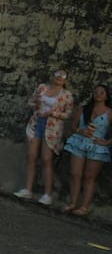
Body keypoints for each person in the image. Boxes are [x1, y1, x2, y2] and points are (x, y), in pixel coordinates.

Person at [14, 69, 75, 205]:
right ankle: (28, 189)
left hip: (52, 128)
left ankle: (48, 194)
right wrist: (35, 105)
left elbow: (68, 114)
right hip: (36, 124)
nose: (59, 77)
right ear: (52, 76)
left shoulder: (67, 95)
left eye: (63, 75)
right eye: (57, 74)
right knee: (31, 156)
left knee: (46, 159)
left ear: (66, 80)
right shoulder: (42, 87)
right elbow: (30, 102)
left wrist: (53, 113)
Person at [62, 83, 110, 216]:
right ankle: (72, 203)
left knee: (89, 177)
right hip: (79, 142)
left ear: (106, 96)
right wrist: (80, 131)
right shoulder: (84, 109)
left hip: (97, 146)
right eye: (96, 92)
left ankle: (84, 207)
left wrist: (106, 142)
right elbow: (73, 126)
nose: (98, 94)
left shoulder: (109, 112)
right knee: (75, 174)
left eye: (102, 92)